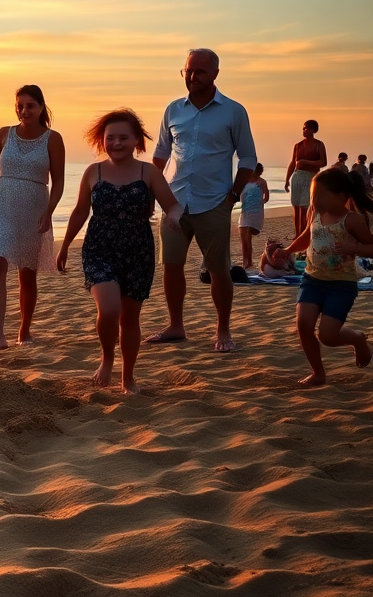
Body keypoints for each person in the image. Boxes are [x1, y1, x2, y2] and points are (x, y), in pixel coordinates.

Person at [57, 110, 183, 394]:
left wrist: (174, 216)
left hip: (138, 252)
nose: (116, 143)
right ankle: (106, 358)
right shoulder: (94, 172)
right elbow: (80, 212)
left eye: (123, 137)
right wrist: (64, 245)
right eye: (110, 138)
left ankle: (128, 377)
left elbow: (172, 204)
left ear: (136, 140)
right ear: (102, 141)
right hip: (99, 249)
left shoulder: (148, 172)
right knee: (109, 308)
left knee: (129, 318)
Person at [149, 48, 257, 352]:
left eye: (199, 72)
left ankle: (223, 331)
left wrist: (234, 195)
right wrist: (151, 192)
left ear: (215, 74)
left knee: (218, 270)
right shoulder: (173, 109)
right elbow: (161, 153)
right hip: (173, 201)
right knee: (171, 267)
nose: (192, 77)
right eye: (188, 71)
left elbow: (247, 157)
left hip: (214, 202)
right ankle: (176, 326)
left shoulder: (233, 111)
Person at [0, 84, 66, 354]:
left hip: (33, 208)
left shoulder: (53, 139)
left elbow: (58, 181)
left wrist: (49, 211)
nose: (24, 111)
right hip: (0, 205)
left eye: (30, 106)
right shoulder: (4, 134)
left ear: (41, 108)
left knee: (27, 273)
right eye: (20, 105)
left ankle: (24, 328)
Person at [279, 168, 373, 386]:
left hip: (341, 286)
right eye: (312, 196)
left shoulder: (353, 220)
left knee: (328, 337)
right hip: (312, 280)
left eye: (320, 196)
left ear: (341, 196)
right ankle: (318, 373)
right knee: (303, 324)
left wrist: (354, 247)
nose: (314, 200)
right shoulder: (315, 213)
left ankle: (358, 340)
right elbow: (306, 237)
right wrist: (288, 250)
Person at [285, 120, 326, 236]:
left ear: (313, 130)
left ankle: (304, 234)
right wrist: (287, 179)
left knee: (305, 208)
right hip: (297, 176)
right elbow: (293, 163)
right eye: (303, 128)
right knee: (296, 207)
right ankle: (297, 234)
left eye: (307, 128)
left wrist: (306, 162)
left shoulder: (319, 145)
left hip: (311, 177)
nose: (304, 130)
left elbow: (323, 162)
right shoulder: (298, 146)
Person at [238, 163, 271, 270]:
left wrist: (260, 202)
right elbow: (239, 195)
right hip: (245, 212)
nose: (257, 174)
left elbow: (266, 196)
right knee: (243, 238)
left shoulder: (262, 182)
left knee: (248, 235)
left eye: (259, 173)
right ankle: (245, 262)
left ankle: (249, 262)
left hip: (256, 212)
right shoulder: (245, 181)